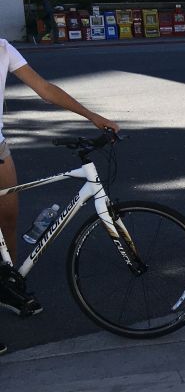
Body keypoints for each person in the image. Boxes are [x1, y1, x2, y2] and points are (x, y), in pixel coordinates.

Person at [0, 38, 119, 330]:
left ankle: (9, 287)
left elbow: (45, 89)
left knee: (8, 220)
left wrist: (91, 116)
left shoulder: (3, 49)